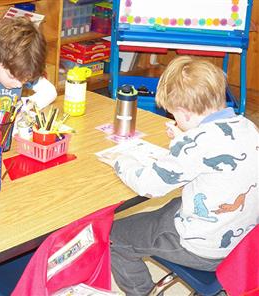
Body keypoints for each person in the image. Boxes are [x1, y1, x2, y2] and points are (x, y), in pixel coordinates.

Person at [104, 56, 259, 295]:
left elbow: (148, 186)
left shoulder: (194, 144)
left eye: (174, 115)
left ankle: (141, 292)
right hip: (245, 245)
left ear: (185, 114)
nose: (174, 120)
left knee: (114, 235)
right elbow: (214, 159)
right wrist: (183, 141)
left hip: (204, 248)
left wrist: (121, 160)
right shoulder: (248, 126)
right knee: (168, 207)